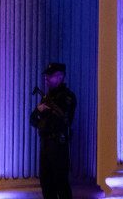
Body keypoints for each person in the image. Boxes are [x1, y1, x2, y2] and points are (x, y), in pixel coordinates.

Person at [29, 63, 76, 199]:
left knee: (61, 183)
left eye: (50, 76)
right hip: (45, 144)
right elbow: (33, 121)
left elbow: (64, 120)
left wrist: (48, 111)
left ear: (60, 77)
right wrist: (39, 110)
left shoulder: (67, 97)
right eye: (46, 75)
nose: (46, 78)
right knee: (46, 184)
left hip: (58, 144)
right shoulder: (46, 98)